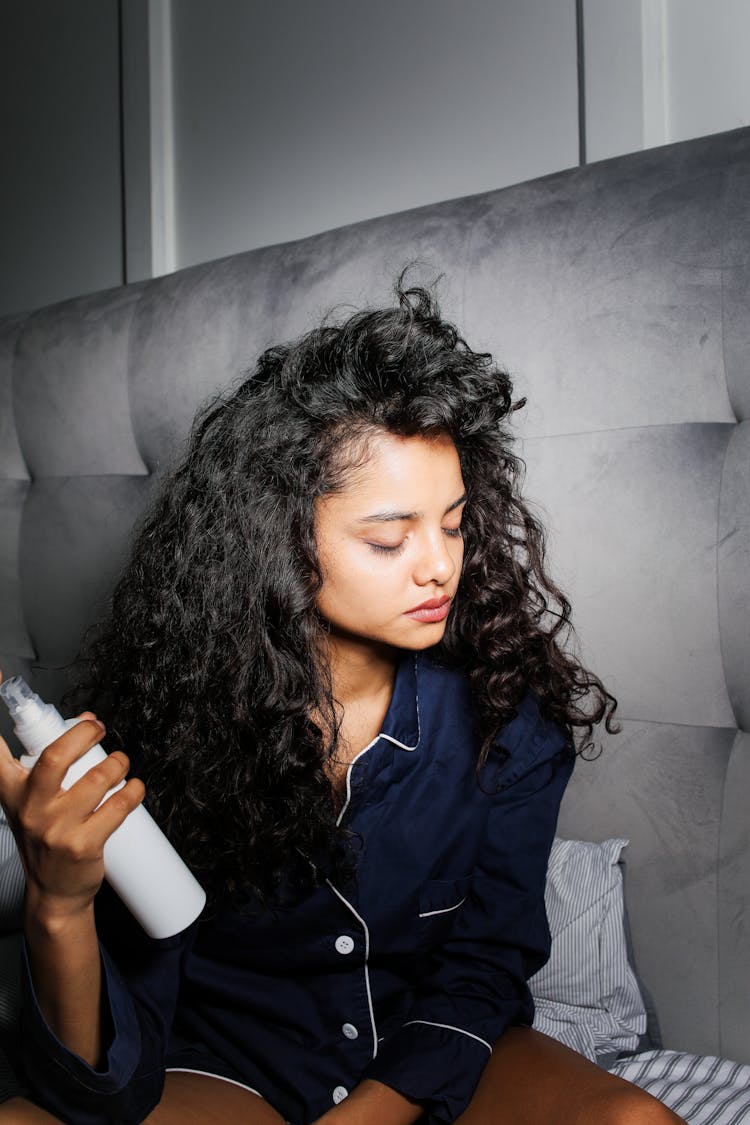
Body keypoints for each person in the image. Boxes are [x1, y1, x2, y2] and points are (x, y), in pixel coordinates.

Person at [0, 283, 686, 1125]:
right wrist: (59, 901)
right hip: (231, 1066)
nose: (440, 565)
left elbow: (484, 965)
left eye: (456, 524)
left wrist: (369, 1115)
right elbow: (101, 1064)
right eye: (390, 538)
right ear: (277, 539)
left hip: (429, 1052)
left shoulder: (509, 713)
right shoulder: (163, 727)